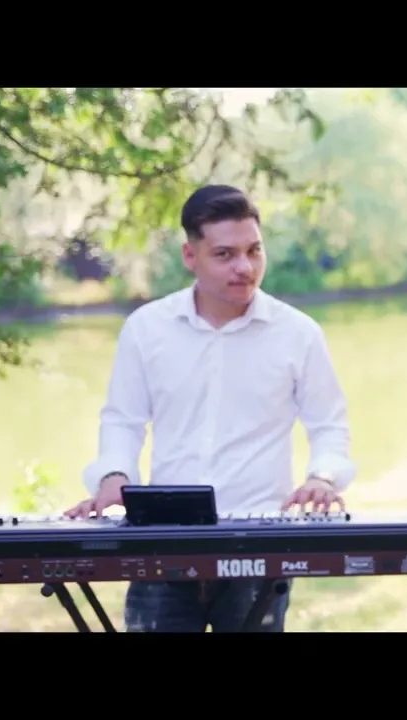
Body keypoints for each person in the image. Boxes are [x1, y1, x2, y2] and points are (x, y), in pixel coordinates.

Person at [64, 184, 357, 633]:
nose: (245, 267)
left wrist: (322, 478)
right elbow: (123, 420)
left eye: (254, 250)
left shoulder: (299, 334)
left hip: (260, 540)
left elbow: (329, 425)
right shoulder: (146, 329)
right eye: (225, 255)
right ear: (190, 255)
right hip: (162, 540)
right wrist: (114, 477)